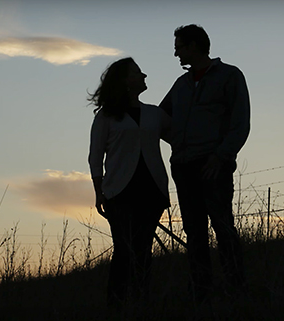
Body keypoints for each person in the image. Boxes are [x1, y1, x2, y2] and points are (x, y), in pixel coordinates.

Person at [159, 24, 250, 303]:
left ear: (194, 46)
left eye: (179, 46)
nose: (175, 53)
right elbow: (160, 119)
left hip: (213, 166)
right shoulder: (180, 84)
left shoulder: (230, 76)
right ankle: (201, 292)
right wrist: (176, 143)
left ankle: (236, 288)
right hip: (183, 167)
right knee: (194, 232)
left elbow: (240, 123)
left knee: (223, 227)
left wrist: (221, 156)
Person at [88, 57, 171, 306]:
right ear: (125, 81)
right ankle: (116, 305)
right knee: (124, 250)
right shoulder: (106, 117)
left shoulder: (155, 114)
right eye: (137, 72)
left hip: (152, 190)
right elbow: (95, 155)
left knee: (143, 250)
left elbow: (178, 138)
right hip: (119, 192)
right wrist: (98, 190)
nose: (144, 75)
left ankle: (141, 301)